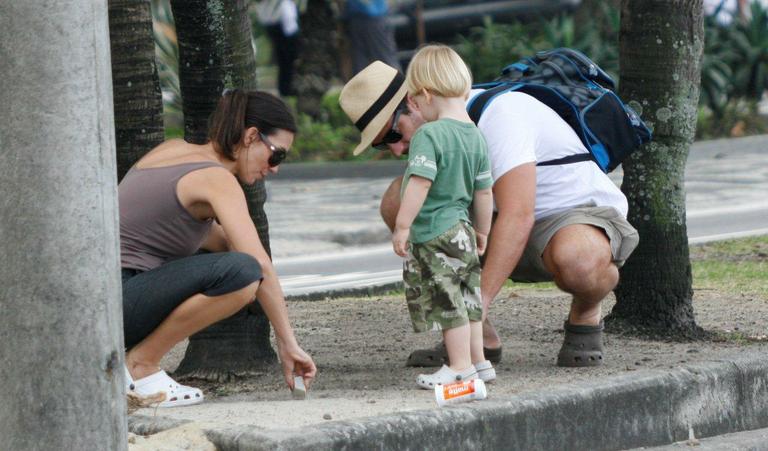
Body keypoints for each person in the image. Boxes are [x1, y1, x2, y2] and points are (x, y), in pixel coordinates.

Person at [338, 61, 639, 368]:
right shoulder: (439, 130)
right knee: (399, 200)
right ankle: (478, 338)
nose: (397, 150)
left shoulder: (500, 115)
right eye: (382, 145)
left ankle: (586, 313)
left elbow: (518, 215)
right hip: (499, 220)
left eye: (392, 134)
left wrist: (476, 304)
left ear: (417, 100)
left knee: (577, 259)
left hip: (571, 215)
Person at [120, 89, 316, 407]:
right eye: (276, 154)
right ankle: (140, 366)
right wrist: (288, 343)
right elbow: (256, 265)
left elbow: (218, 239)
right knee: (244, 274)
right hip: (119, 298)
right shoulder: (216, 179)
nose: (275, 168)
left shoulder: (175, 151)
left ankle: (135, 365)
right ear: (252, 136)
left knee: (238, 266)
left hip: (104, 301)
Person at [392, 45, 495, 388]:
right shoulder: (476, 136)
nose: (416, 110)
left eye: (414, 104)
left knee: (447, 298)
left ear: (424, 95)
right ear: (464, 90)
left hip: (435, 231)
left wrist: (402, 225)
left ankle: (460, 366)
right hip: (463, 230)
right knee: (469, 297)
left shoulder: (429, 134)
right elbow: (484, 192)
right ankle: (480, 362)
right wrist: (483, 230)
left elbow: (420, 184)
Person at [342, 0, 401, 74]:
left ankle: (397, 83)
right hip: (359, 17)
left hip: (372, 16)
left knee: (384, 61)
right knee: (361, 62)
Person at [257, 0, 301, 97]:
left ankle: (285, 88)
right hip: (280, 25)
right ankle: (286, 89)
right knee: (286, 60)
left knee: (284, 60)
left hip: (277, 23)